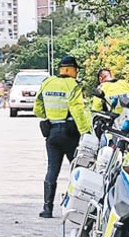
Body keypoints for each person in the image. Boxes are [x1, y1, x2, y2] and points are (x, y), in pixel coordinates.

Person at [34, 55, 90, 218]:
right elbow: (78, 110)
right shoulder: (73, 85)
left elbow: (37, 109)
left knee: (52, 169)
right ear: (72, 70)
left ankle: (47, 208)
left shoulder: (47, 83)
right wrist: (86, 132)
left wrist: (50, 116)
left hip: (51, 133)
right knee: (78, 168)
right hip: (70, 133)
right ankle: (78, 206)